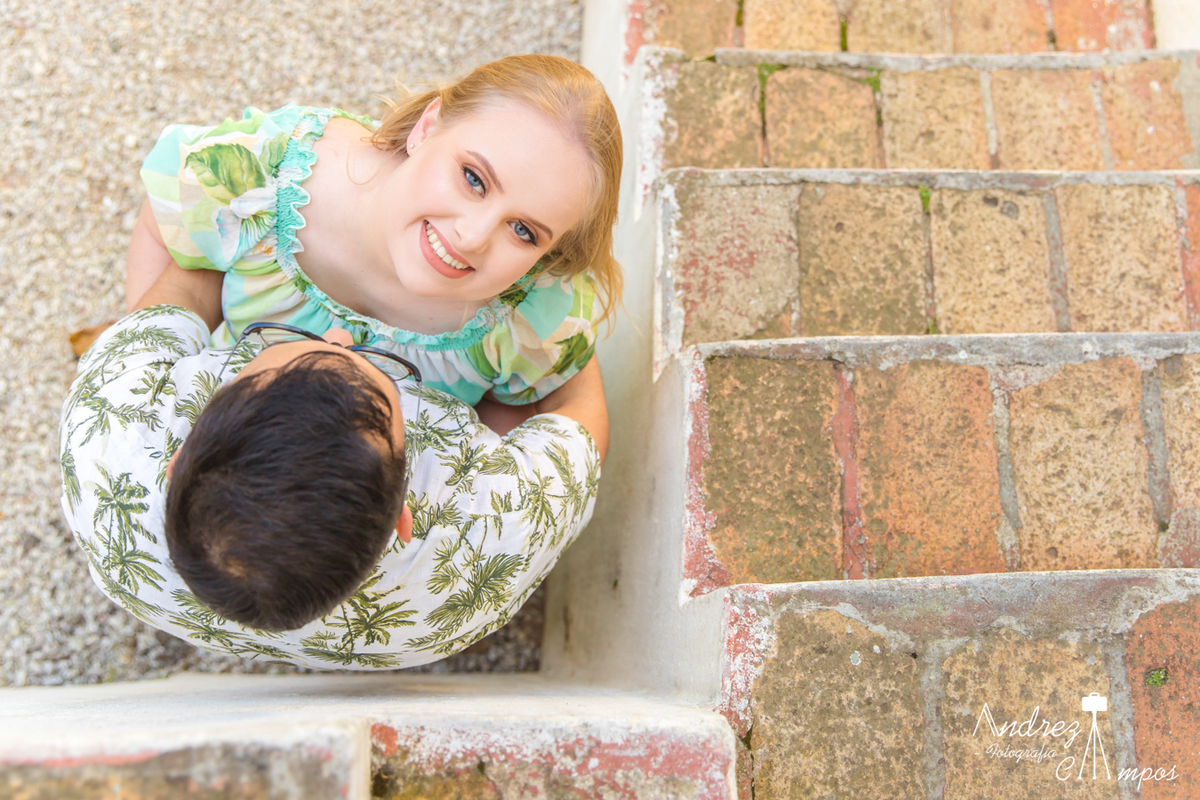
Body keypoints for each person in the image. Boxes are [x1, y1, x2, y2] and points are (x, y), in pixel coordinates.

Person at [60, 263, 608, 669]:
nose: (347, 336)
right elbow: (577, 418)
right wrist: (558, 333)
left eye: (294, 346)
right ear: (404, 518)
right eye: (379, 371)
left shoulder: (108, 442)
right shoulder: (483, 543)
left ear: (178, 458)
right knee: (515, 399)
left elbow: (185, 281)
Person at [127, 54, 622, 410]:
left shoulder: (525, 316)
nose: (472, 237)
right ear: (427, 127)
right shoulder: (263, 178)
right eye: (474, 179)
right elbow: (160, 220)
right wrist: (139, 359)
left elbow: (538, 406)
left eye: (523, 231)